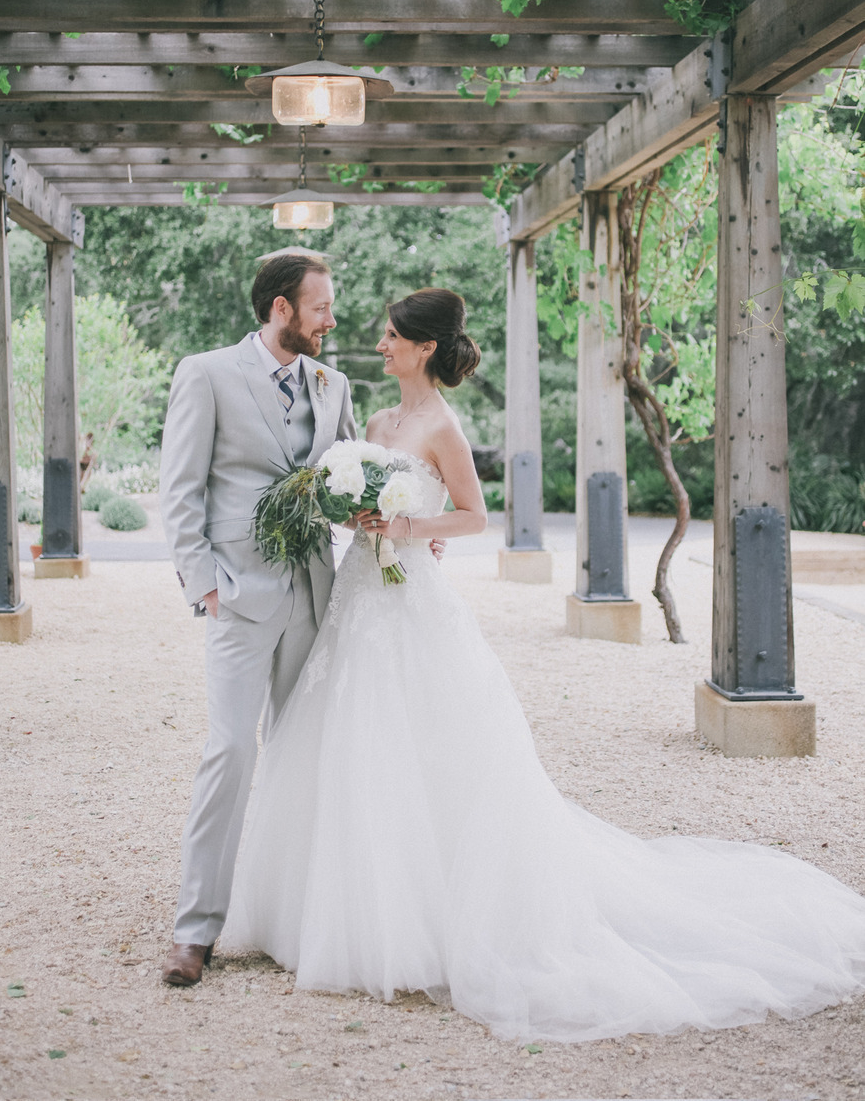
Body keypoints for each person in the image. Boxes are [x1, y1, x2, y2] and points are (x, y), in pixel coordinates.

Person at [221, 287, 865, 1042]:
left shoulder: (442, 425)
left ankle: (423, 920)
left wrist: (408, 526)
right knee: (350, 739)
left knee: (427, 746)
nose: (381, 344)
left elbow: (473, 515)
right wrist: (363, 519)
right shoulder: (380, 422)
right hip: (360, 595)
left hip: (410, 602)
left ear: (425, 348)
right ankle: (331, 905)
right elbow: (373, 502)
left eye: (392, 335)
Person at [157, 251, 357, 987]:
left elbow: (352, 474)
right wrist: (204, 582)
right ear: (281, 308)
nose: (330, 320)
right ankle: (195, 930)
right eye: (320, 308)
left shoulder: (333, 385)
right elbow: (180, 488)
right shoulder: (206, 373)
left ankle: (291, 916)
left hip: (314, 594)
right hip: (238, 596)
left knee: (303, 753)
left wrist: (404, 519)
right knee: (231, 751)